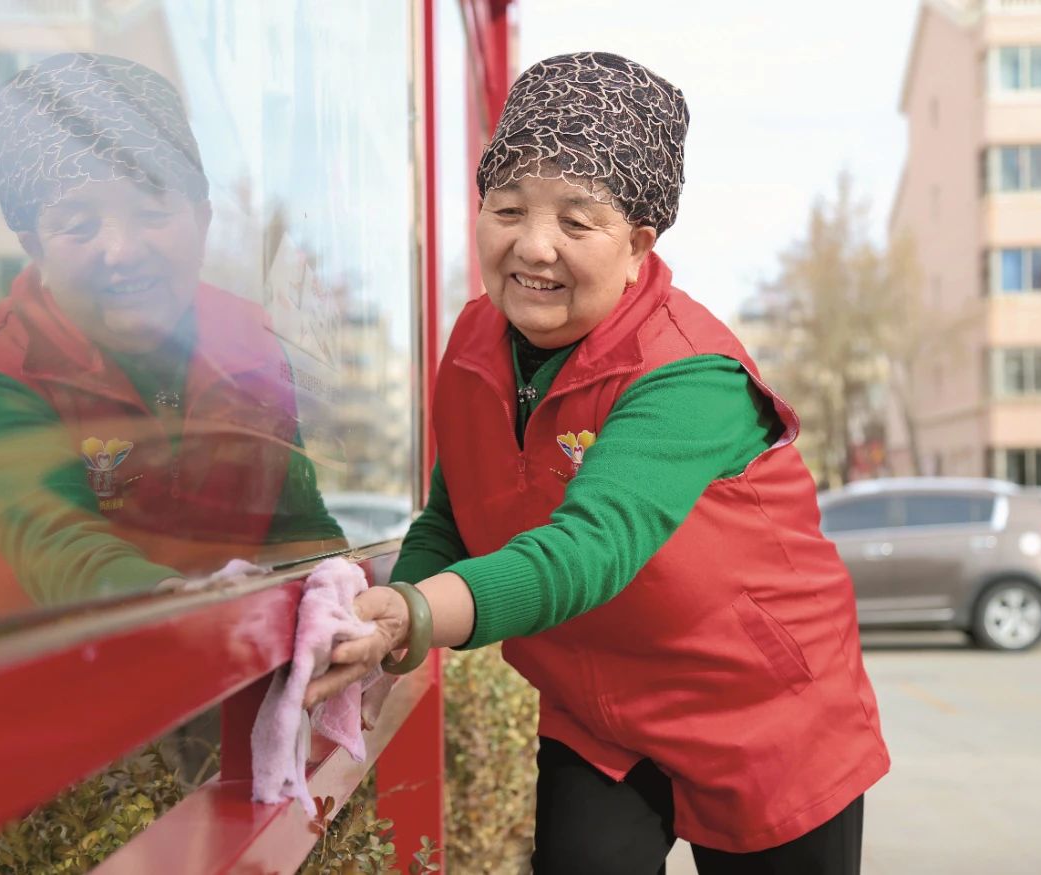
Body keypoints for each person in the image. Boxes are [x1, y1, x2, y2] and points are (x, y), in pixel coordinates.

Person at [305, 52, 889, 874]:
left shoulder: (689, 374)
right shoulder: (475, 344)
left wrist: (417, 612)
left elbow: (592, 546)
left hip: (760, 707)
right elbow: (454, 516)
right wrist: (386, 627)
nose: (533, 247)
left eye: (576, 224)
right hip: (597, 709)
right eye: (507, 209)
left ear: (637, 245)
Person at [0, 53, 342, 634]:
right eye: (80, 226)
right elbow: (57, 542)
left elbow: (296, 523)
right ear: (32, 245)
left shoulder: (254, 345)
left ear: (203, 218)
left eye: (151, 211)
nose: (122, 250)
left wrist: (344, 606)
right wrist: (180, 602)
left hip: (200, 664)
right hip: (0, 697)